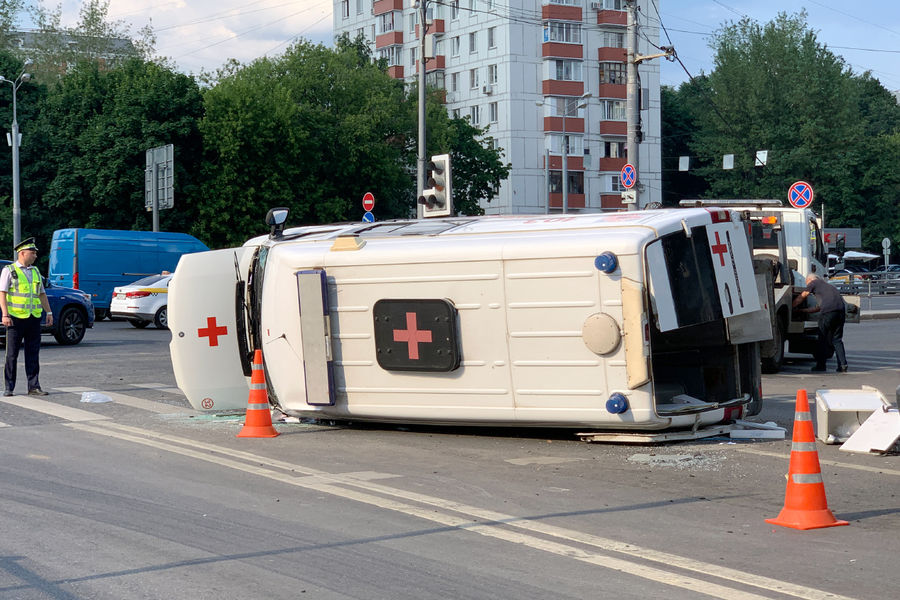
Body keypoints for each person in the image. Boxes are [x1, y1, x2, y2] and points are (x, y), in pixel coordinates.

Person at [0, 238, 53, 396]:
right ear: (22, 253)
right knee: (11, 354)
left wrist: (48, 312)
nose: (35, 255)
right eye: (33, 253)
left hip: (33, 318)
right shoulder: (9, 270)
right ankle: (9, 387)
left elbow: (42, 294)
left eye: (35, 253)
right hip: (15, 319)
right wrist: (5, 314)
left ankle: (34, 386)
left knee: (33, 353)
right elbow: (2, 294)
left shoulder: (35, 271)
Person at [792, 273, 848, 373]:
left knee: (822, 339)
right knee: (837, 339)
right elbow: (818, 308)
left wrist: (792, 306)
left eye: (806, 283)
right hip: (840, 312)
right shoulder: (829, 286)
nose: (807, 285)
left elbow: (802, 296)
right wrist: (803, 311)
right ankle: (843, 365)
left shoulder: (813, 283)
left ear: (809, 280)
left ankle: (821, 365)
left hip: (828, 313)